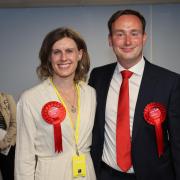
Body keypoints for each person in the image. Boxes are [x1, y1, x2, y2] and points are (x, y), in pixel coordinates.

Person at [89, 9, 180, 180]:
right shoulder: (98, 76)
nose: (128, 41)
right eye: (120, 34)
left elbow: (177, 142)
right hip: (105, 173)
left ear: (144, 37)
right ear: (110, 40)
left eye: (134, 33)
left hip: (154, 175)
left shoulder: (171, 82)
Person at [15, 27, 96, 180]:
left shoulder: (90, 93)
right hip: (51, 174)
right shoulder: (31, 98)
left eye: (69, 51)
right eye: (56, 52)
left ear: (79, 54)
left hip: (86, 174)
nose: (63, 58)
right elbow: (24, 158)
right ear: (49, 57)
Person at [0, 92, 16, 180]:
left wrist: (4, 143)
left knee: (9, 176)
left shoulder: (7, 98)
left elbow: (14, 124)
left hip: (7, 146)